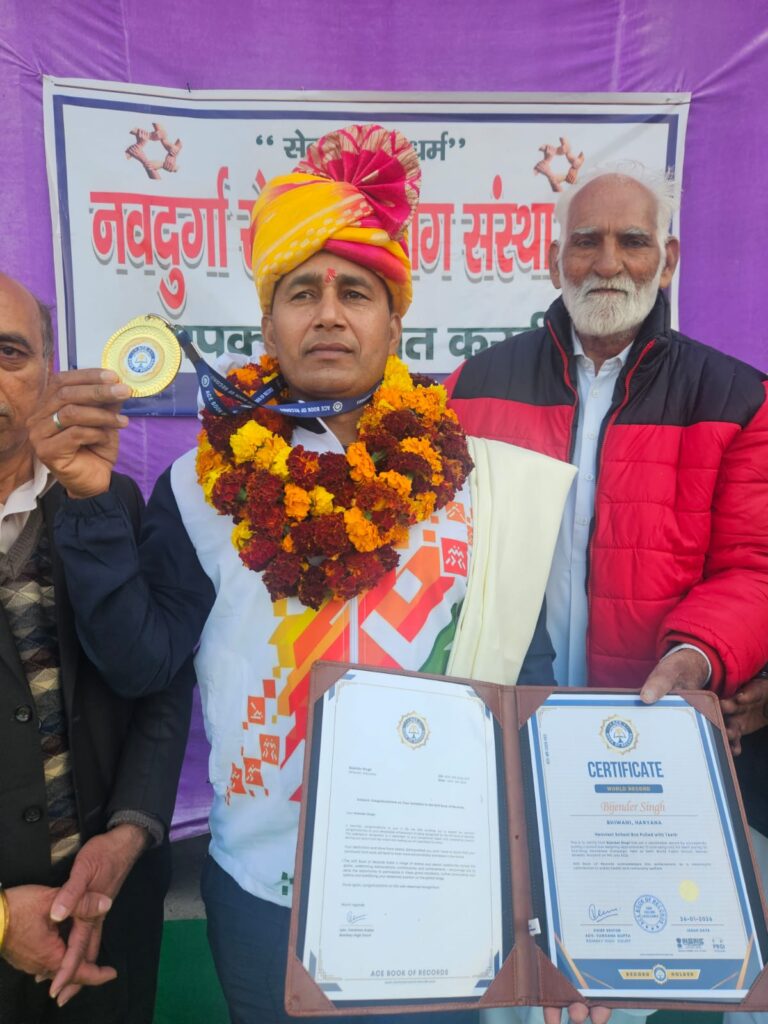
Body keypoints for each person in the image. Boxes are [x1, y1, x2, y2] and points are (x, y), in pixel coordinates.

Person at [29, 124, 575, 1024]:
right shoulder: (196, 487)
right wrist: (89, 505)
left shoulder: (485, 482)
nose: (328, 312)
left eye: (356, 291)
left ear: (395, 320)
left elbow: (535, 683)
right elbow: (140, 663)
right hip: (262, 893)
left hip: (444, 884)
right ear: (266, 320)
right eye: (300, 291)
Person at [446, 164, 768, 1024]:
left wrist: (699, 655)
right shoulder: (474, 388)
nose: (608, 262)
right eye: (586, 241)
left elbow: (756, 565)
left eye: (632, 242)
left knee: (653, 982)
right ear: (556, 261)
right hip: (509, 737)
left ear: (667, 259)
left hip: (657, 744)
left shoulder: (735, 396)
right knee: (518, 993)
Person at [0, 272, 193, 1024]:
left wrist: (126, 834)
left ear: (50, 373)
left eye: (9, 352)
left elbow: (158, 680)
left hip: (109, 911)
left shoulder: (107, 498)